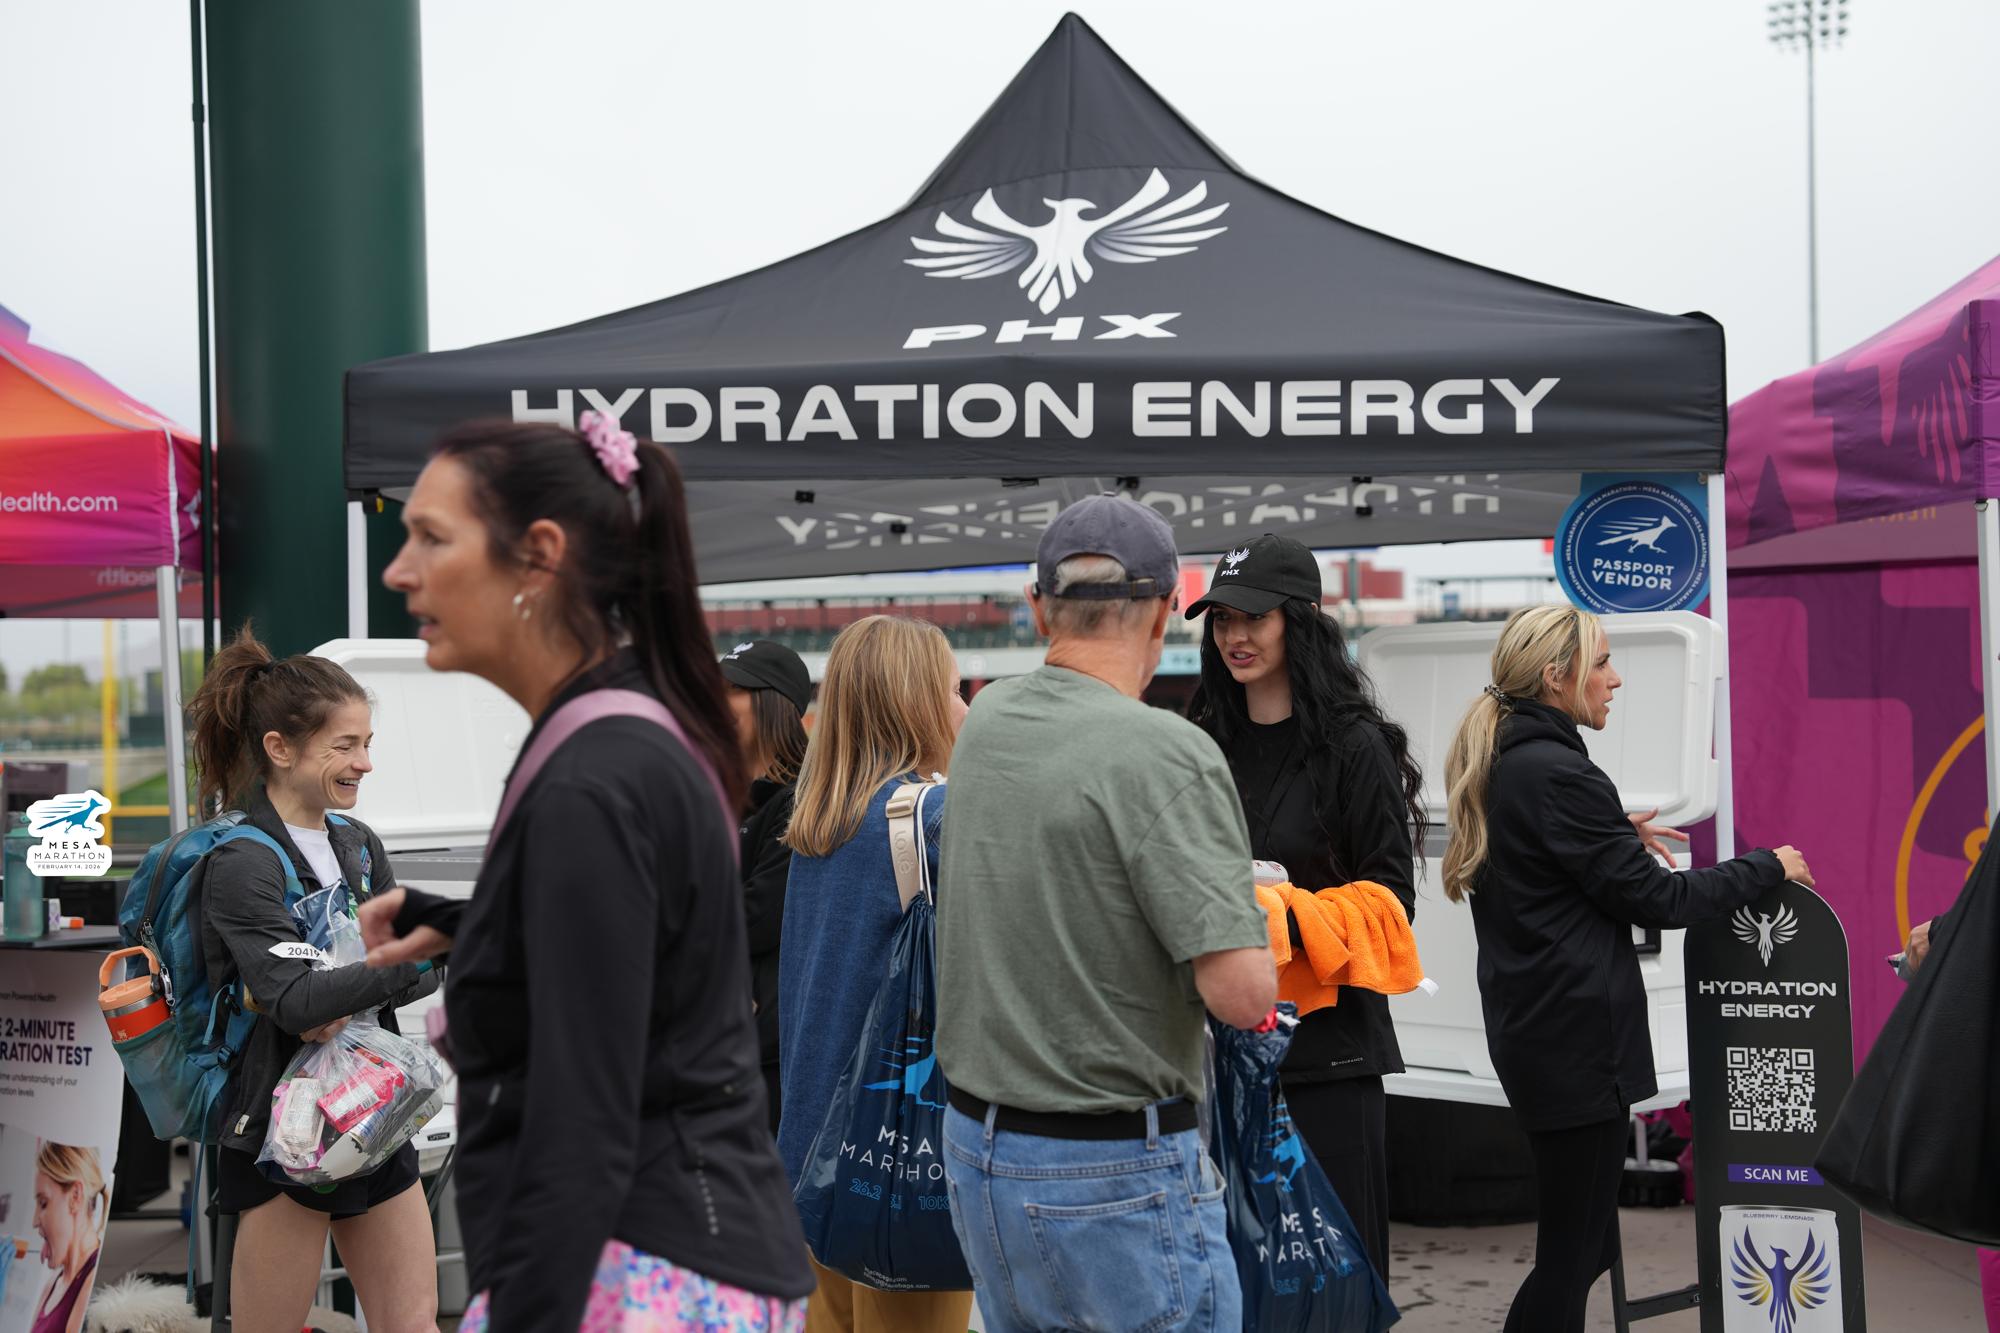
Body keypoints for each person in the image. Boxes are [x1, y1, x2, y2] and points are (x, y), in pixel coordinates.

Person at [361, 413, 814, 1333]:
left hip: (628, 1271)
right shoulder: (627, 730)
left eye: (431, 537)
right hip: (678, 1255)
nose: (398, 571)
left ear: (539, 555)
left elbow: (582, 1121)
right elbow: (649, 958)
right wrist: (480, 922)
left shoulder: (592, 774)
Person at [934, 494, 1277, 1333]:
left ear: (1037, 607)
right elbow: (1243, 997)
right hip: (1114, 1168)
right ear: (1166, 609)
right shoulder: (1169, 752)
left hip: (979, 1149)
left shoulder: (988, 718)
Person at [1441, 603, 1813, 1333]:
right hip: (1574, 1042)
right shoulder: (1558, 773)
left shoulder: (1515, 761)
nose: (1615, 679)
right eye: (1603, 662)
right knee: (1572, 1256)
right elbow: (1661, 898)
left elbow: (1555, 862)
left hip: (1543, 1033)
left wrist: (1613, 835)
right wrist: (1766, 867)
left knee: (1587, 1248)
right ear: (1558, 676)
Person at [186, 627, 441, 1333]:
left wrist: (407, 963)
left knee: (413, 1324)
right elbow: (297, 1002)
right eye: (345, 745)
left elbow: (403, 978)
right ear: (280, 748)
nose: (365, 762)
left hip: (375, 1107)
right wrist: (413, 955)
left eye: (367, 743)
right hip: (282, 1129)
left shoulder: (356, 844)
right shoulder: (242, 859)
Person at [1184, 533, 1423, 1277]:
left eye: (1253, 617)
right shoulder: (1201, 744)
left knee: (1338, 1278)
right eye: (1222, 619)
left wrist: (1279, 914)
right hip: (1219, 1052)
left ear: (1300, 620)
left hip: (1329, 1054)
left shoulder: (1355, 746)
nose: (1235, 635)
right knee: (1238, 1282)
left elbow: (1393, 900)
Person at [777, 614, 970, 1333]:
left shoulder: (819, 820)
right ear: (918, 702)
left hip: (811, 1152)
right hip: (899, 1156)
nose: (963, 705)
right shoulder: (934, 816)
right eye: (952, 688)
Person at [719, 639, 813, 1132]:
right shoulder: (723, 793)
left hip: (767, 1049)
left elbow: (756, 916)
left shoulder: (802, 799)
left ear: (772, 704)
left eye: (733, 689)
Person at [29, 1143, 106, 1333]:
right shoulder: (53, 1283)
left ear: (75, 1196)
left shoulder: (90, 1284)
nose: (34, 1221)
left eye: (43, 1203)